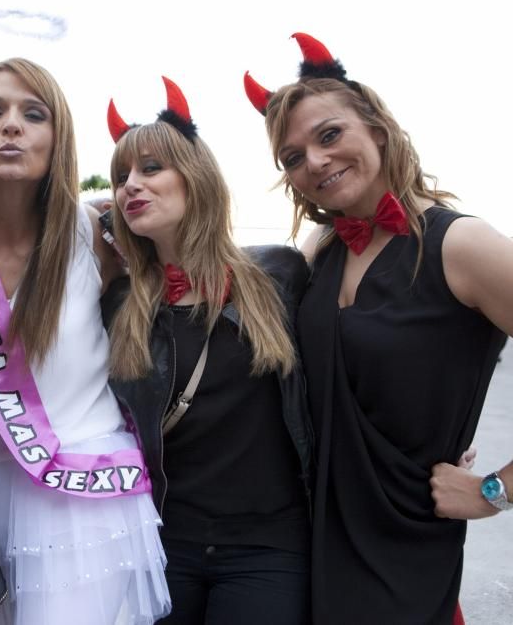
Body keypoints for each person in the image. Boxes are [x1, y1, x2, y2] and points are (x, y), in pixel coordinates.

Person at [246, 32, 513, 624]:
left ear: (378, 129)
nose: (314, 161)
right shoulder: (321, 250)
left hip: (404, 560)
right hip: (307, 547)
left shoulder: (460, 244)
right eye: (292, 157)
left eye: (329, 134)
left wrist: (496, 491)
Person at [0, 58, 170, 624]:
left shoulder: (95, 233)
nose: (11, 125)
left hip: (81, 495)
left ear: (57, 136)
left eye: (32, 114)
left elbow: (185, 252)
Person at [101, 77, 313, 624]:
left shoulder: (278, 275)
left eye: (151, 168)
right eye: (121, 176)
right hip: (164, 544)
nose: (131, 186)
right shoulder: (119, 303)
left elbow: (359, 356)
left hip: (269, 548)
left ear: (194, 178)